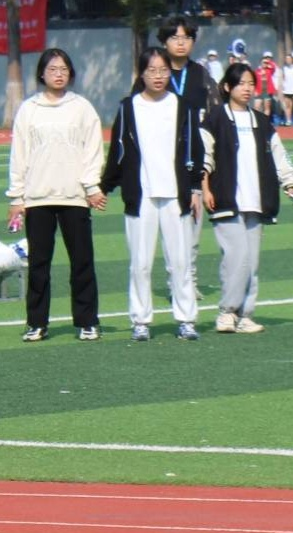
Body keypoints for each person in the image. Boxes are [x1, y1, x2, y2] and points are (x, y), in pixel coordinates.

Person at [100, 47, 204, 342]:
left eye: (163, 70)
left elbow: (194, 148)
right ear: (141, 73)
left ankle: (186, 319)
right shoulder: (128, 107)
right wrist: (104, 187)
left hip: (176, 195)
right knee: (140, 263)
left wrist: (195, 187)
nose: (158, 76)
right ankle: (141, 320)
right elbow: (118, 151)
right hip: (141, 196)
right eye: (152, 70)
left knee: (180, 263)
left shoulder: (182, 106)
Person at [6, 48, 105, 342]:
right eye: (52, 69)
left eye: (63, 69)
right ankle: (37, 323)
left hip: (74, 197)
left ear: (70, 73)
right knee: (39, 265)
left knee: (82, 262)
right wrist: (17, 198)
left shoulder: (82, 108)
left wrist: (91, 186)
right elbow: (19, 155)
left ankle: (87, 322)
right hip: (38, 198)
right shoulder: (29, 109)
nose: (58, 74)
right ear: (42, 73)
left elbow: (93, 150)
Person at [201, 63, 293, 334]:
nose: (247, 89)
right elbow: (204, 155)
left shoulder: (261, 121)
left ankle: (245, 315)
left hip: (257, 200)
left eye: (251, 84)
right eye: (241, 84)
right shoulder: (215, 119)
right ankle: (226, 312)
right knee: (236, 257)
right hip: (226, 198)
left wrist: (291, 182)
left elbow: (279, 155)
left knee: (252, 262)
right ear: (227, 87)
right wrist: (205, 188)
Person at [156, 16, 222, 302]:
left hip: (194, 158)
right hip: (162, 159)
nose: (180, 43)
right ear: (164, 41)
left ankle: (189, 280)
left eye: (186, 38)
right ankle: (175, 281)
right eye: (174, 37)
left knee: (193, 226)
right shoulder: (155, 72)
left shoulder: (201, 74)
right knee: (169, 228)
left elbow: (216, 113)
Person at [279, 53, 293, 126]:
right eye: (287, 59)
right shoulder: (284, 68)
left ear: (292, 60)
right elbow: (283, 79)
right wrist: (282, 88)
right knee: (288, 105)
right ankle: (288, 120)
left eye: (289, 59)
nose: (288, 60)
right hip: (287, 90)